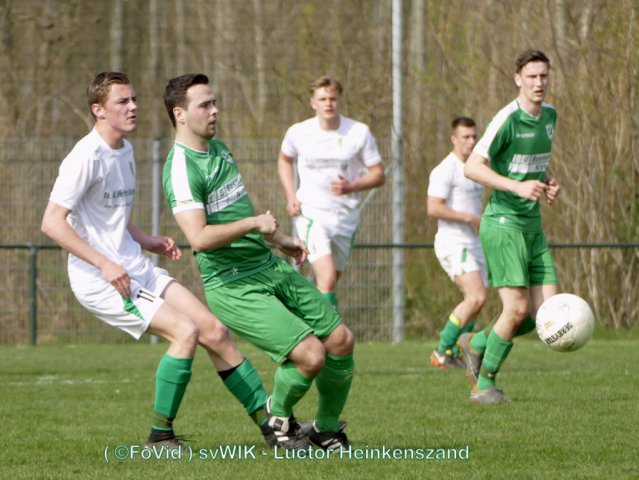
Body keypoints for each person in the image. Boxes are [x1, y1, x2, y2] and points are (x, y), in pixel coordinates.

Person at [41, 72, 271, 448]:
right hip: (101, 280)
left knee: (214, 331)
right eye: (122, 101)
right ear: (98, 110)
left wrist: (146, 240)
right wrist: (104, 264)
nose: (133, 107)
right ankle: (160, 436)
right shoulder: (84, 157)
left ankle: (271, 425)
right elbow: (52, 223)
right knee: (185, 332)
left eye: (134, 99)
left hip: (134, 266)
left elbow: (107, 215)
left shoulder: (125, 150)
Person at [162, 73, 355, 451]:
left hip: (267, 265)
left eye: (214, 102)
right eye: (205, 105)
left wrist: (280, 240)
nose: (215, 111)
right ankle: (277, 415)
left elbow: (236, 213)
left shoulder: (219, 150)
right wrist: (254, 223)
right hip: (233, 284)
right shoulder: (181, 168)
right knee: (310, 355)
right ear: (179, 114)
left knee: (340, 340)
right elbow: (199, 238)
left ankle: (327, 430)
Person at [459, 50, 561, 404]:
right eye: (531, 76)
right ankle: (483, 385)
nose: (538, 83)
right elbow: (472, 167)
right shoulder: (507, 118)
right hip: (503, 224)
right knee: (515, 309)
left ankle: (476, 342)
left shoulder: (550, 116)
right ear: (518, 78)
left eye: (543, 76)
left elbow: (528, 164)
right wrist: (516, 187)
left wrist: (547, 182)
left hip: (533, 226)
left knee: (544, 316)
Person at [277, 76, 385, 310]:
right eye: (322, 99)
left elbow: (378, 174)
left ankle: (308, 321)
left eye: (333, 99)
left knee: (331, 282)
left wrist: (352, 186)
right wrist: (291, 196)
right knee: (326, 279)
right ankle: (331, 332)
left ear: (340, 100)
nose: (328, 103)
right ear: (312, 103)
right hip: (311, 213)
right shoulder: (299, 132)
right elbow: (284, 160)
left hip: (346, 216)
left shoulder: (358, 132)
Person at [427, 116, 487, 370]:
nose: (471, 141)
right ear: (454, 139)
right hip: (453, 243)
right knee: (476, 296)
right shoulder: (445, 170)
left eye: (474, 136)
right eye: (466, 137)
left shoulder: (477, 168)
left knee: (477, 301)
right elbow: (433, 208)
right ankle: (442, 351)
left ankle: (455, 350)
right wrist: (469, 218)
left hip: (474, 243)